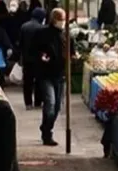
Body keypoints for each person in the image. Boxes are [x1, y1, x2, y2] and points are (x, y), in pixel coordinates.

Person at [32, 7, 74, 146]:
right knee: (50, 103)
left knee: (56, 108)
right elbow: (35, 50)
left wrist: (73, 57)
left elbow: (72, 53)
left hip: (60, 75)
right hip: (45, 75)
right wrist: (41, 57)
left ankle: (46, 128)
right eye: (60, 19)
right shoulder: (42, 34)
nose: (62, 22)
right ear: (54, 19)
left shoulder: (67, 35)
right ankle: (47, 133)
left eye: (64, 19)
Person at [19, 7, 45, 110]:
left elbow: (20, 43)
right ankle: (38, 102)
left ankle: (28, 103)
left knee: (27, 82)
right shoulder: (42, 28)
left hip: (27, 59)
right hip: (39, 60)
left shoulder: (24, 27)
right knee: (39, 81)